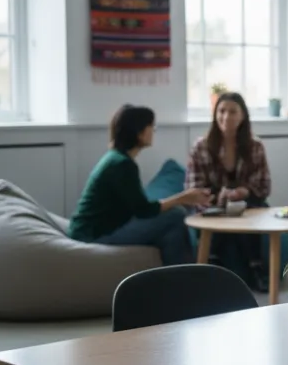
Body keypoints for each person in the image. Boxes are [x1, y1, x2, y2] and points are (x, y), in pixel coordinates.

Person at [69, 105, 211, 264]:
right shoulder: (122, 164)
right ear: (139, 132)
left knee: (172, 232)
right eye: (151, 126)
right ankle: (191, 276)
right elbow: (145, 210)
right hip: (93, 236)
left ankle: (180, 280)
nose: (154, 131)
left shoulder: (115, 158)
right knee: (176, 214)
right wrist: (182, 198)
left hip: (97, 230)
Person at [185, 92, 272, 290]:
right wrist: (217, 197)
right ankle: (212, 267)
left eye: (233, 111)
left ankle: (256, 268)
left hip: (246, 202)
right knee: (218, 214)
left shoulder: (255, 146)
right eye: (222, 111)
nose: (226, 117)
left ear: (243, 116)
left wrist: (243, 191)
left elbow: (264, 186)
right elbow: (193, 186)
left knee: (252, 211)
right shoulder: (201, 146)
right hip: (211, 203)